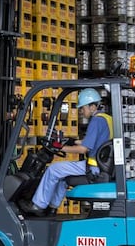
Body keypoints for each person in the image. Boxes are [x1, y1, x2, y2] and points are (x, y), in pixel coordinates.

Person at [21, 88, 113, 217]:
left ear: (92, 107)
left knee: (53, 170)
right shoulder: (106, 119)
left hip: (93, 168)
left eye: (83, 108)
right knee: (62, 177)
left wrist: (61, 148)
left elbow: (83, 149)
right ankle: (52, 208)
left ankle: (38, 205)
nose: (81, 112)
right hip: (101, 165)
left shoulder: (96, 121)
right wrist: (72, 142)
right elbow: (95, 141)